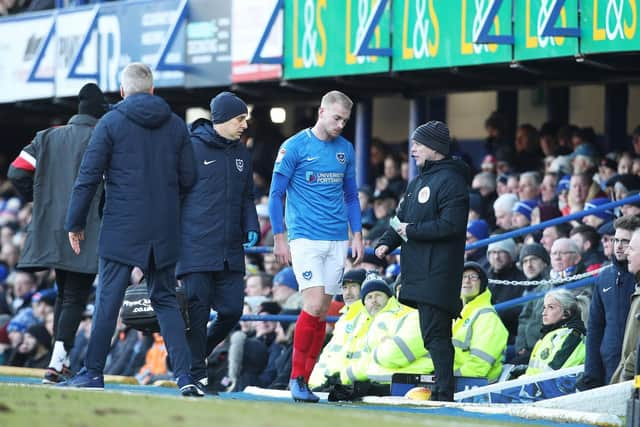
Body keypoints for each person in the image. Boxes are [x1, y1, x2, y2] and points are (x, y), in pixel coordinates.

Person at [62, 63, 201, 396]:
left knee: (108, 300)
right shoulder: (176, 125)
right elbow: (190, 178)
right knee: (166, 301)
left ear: (122, 91)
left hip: (122, 224)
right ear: (152, 90)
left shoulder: (111, 122)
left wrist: (75, 222)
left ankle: (93, 372)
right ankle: (186, 376)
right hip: (164, 226)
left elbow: (89, 176)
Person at [7, 83, 108, 384]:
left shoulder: (47, 137)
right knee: (74, 295)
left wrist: (39, 201)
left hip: (51, 226)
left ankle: (57, 362)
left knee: (66, 295)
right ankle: (57, 363)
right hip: (88, 230)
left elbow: (16, 172)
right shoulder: (104, 138)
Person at [268, 90, 364, 402]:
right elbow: (276, 194)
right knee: (311, 305)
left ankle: (305, 381)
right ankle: (296, 377)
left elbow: (351, 195)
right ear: (321, 111)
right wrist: (279, 236)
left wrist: (358, 233)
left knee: (322, 311)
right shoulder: (294, 146)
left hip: (336, 238)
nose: (340, 125)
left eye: (345, 120)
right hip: (305, 237)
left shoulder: (345, 149)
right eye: (336, 118)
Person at [375, 120, 470, 402]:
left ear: (434, 148)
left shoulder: (452, 180)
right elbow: (401, 220)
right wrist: (385, 242)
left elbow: (451, 225)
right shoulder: (417, 182)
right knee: (432, 334)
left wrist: (410, 232)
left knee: (436, 333)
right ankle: (442, 388)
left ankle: (444, 391)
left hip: (439, 270)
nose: (412, 149)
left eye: (417, 144)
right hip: (419, 271)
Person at [175, 91, 259, 394]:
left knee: (233, 310)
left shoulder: (241, 154)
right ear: (222, 119)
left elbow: (247, 196)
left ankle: (194, 356)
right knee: (196, 314)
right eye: (240, 119)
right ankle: (196, 374)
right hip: (195, 247)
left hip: (229, 249)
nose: (244, 126)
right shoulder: (190, 149)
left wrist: (251, 224)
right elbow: (175, 196)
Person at [579, 215, 640, 389]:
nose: (619, 246)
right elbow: (595, 327)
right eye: (616, 240)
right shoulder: (604, 278)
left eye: (626, 242)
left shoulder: (637, 277)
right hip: (609, 366)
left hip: (633, 368)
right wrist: (591, 373)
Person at [453, 262, 508, 382]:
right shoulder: (461, 313)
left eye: (473, 277)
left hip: (472, 388)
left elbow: (478, 367)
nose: (467, 281)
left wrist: (450, 380)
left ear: (482, 284)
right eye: (463, 277)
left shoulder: (488, 318)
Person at [525, 288, 586, 375]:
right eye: (544, 307)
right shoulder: (546, 337)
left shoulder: (573, 336)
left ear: (566, 313)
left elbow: (552, 374)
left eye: (551, 307)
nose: (544, 313)